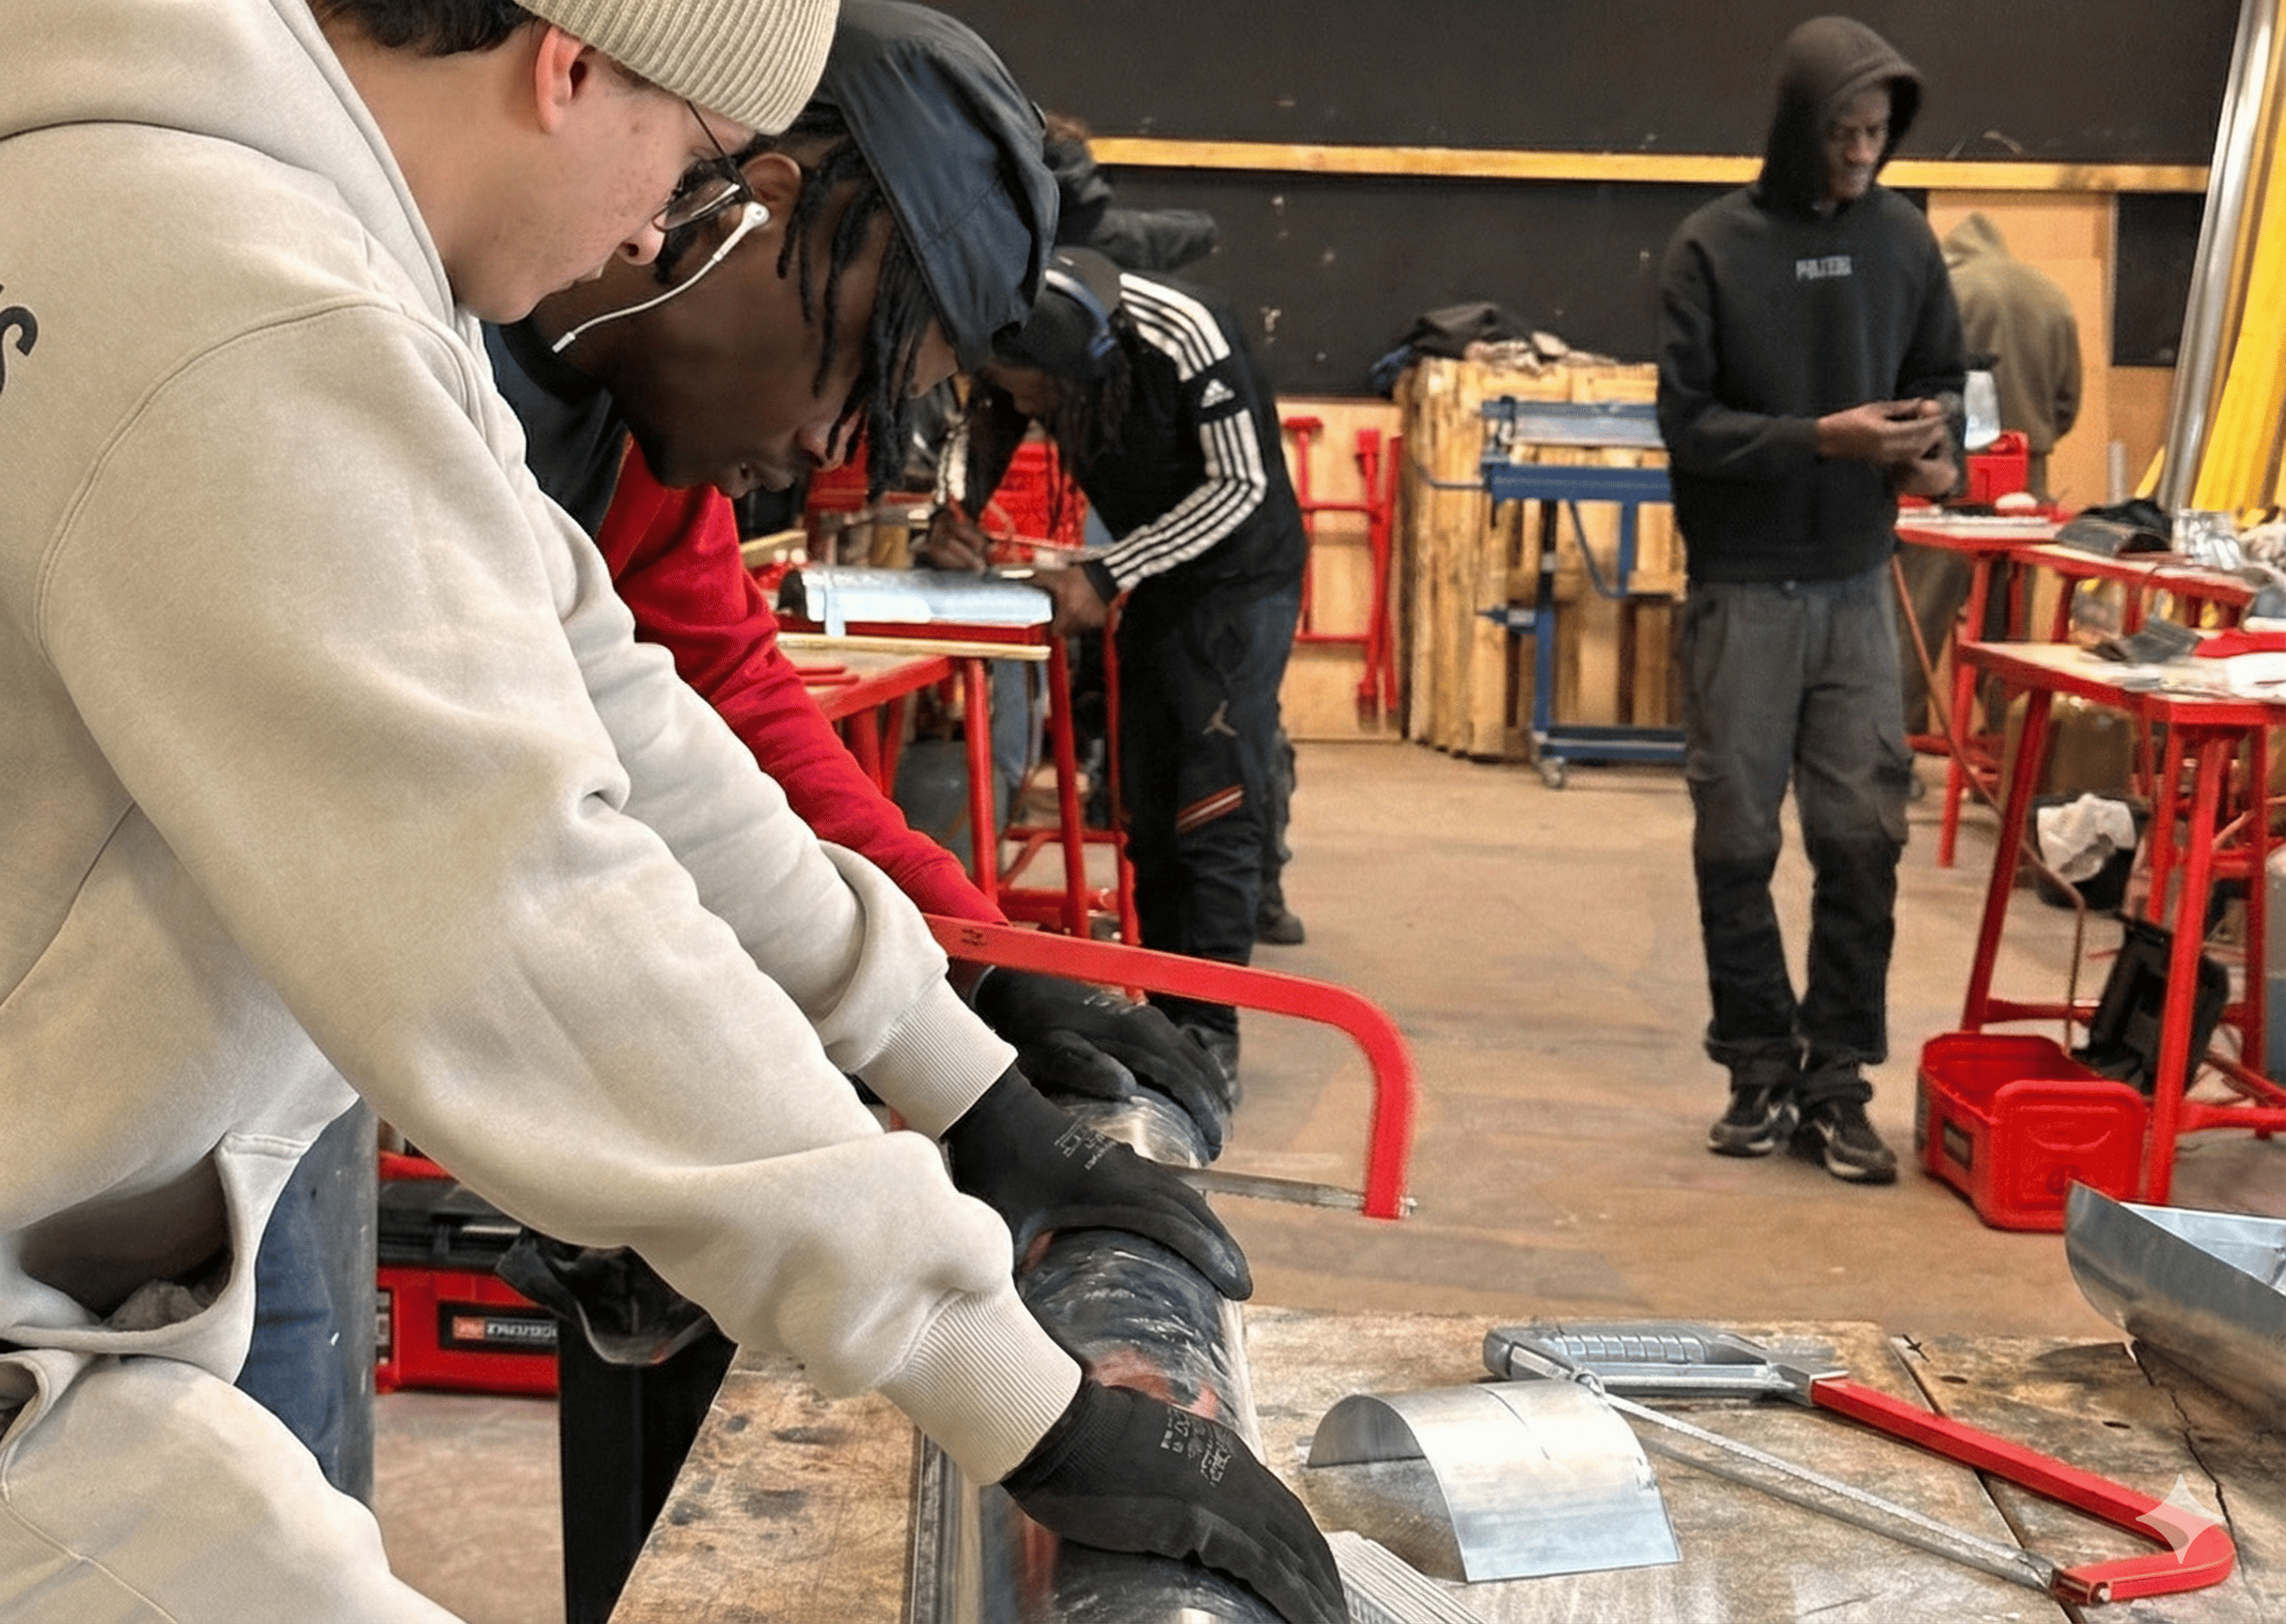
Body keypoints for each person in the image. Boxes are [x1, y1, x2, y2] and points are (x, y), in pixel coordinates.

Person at [0, 5, 1342, 1622]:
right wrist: (1007, 1386)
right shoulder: (240, 305)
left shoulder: (318, 265)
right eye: (695, 169)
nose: (657, 237)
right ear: (571, 66)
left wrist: (961, 1071)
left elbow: (616, 705)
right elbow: (519, 910)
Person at [1655, 15, 1965, 1185]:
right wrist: (1822, 439)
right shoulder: (1710, 247)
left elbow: (1940, 377)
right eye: (1841, 132)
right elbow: (1688, 428)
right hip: (1742, 592)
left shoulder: (1902, 238)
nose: (1860, 154)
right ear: (1797, 128)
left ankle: (1835, 1082)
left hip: (1852, 588)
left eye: (1877, 133)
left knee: (1861, 839)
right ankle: (1754, 1069)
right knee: (1734, 843)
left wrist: (1932, 449)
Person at [923, 248, 1307, 1088]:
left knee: (1211, 806)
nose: (1024, 406)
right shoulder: (1023, 331)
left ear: (1079, 369)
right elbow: (979, 429)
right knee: (1148, 809)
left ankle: (1210, 1030)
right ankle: (1168, 1014)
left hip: (1240, 583)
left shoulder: (1185, 331)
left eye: (1033, 393)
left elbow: (1240, 487)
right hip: (1154, 581)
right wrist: (950, 515)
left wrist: (1106, 573)